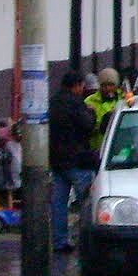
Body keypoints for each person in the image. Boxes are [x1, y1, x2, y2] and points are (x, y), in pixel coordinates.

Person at [50, 71, 97, 254]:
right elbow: (87, 125)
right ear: (77, 85)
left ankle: (59, 240)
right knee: (86, 203)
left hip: (56, 161)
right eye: (82, 86)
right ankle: (86, 241)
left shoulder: (53, 103)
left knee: (59, 203)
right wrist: (91, 114)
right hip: (77, 160)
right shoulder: (76, 104)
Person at [85, 67, 126, 151]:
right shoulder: (90, 101)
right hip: (98, 149)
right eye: (104, 85)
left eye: (111, 85)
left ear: (117, 85)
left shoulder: (124, 99)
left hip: (120, 147)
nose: (108, 88)